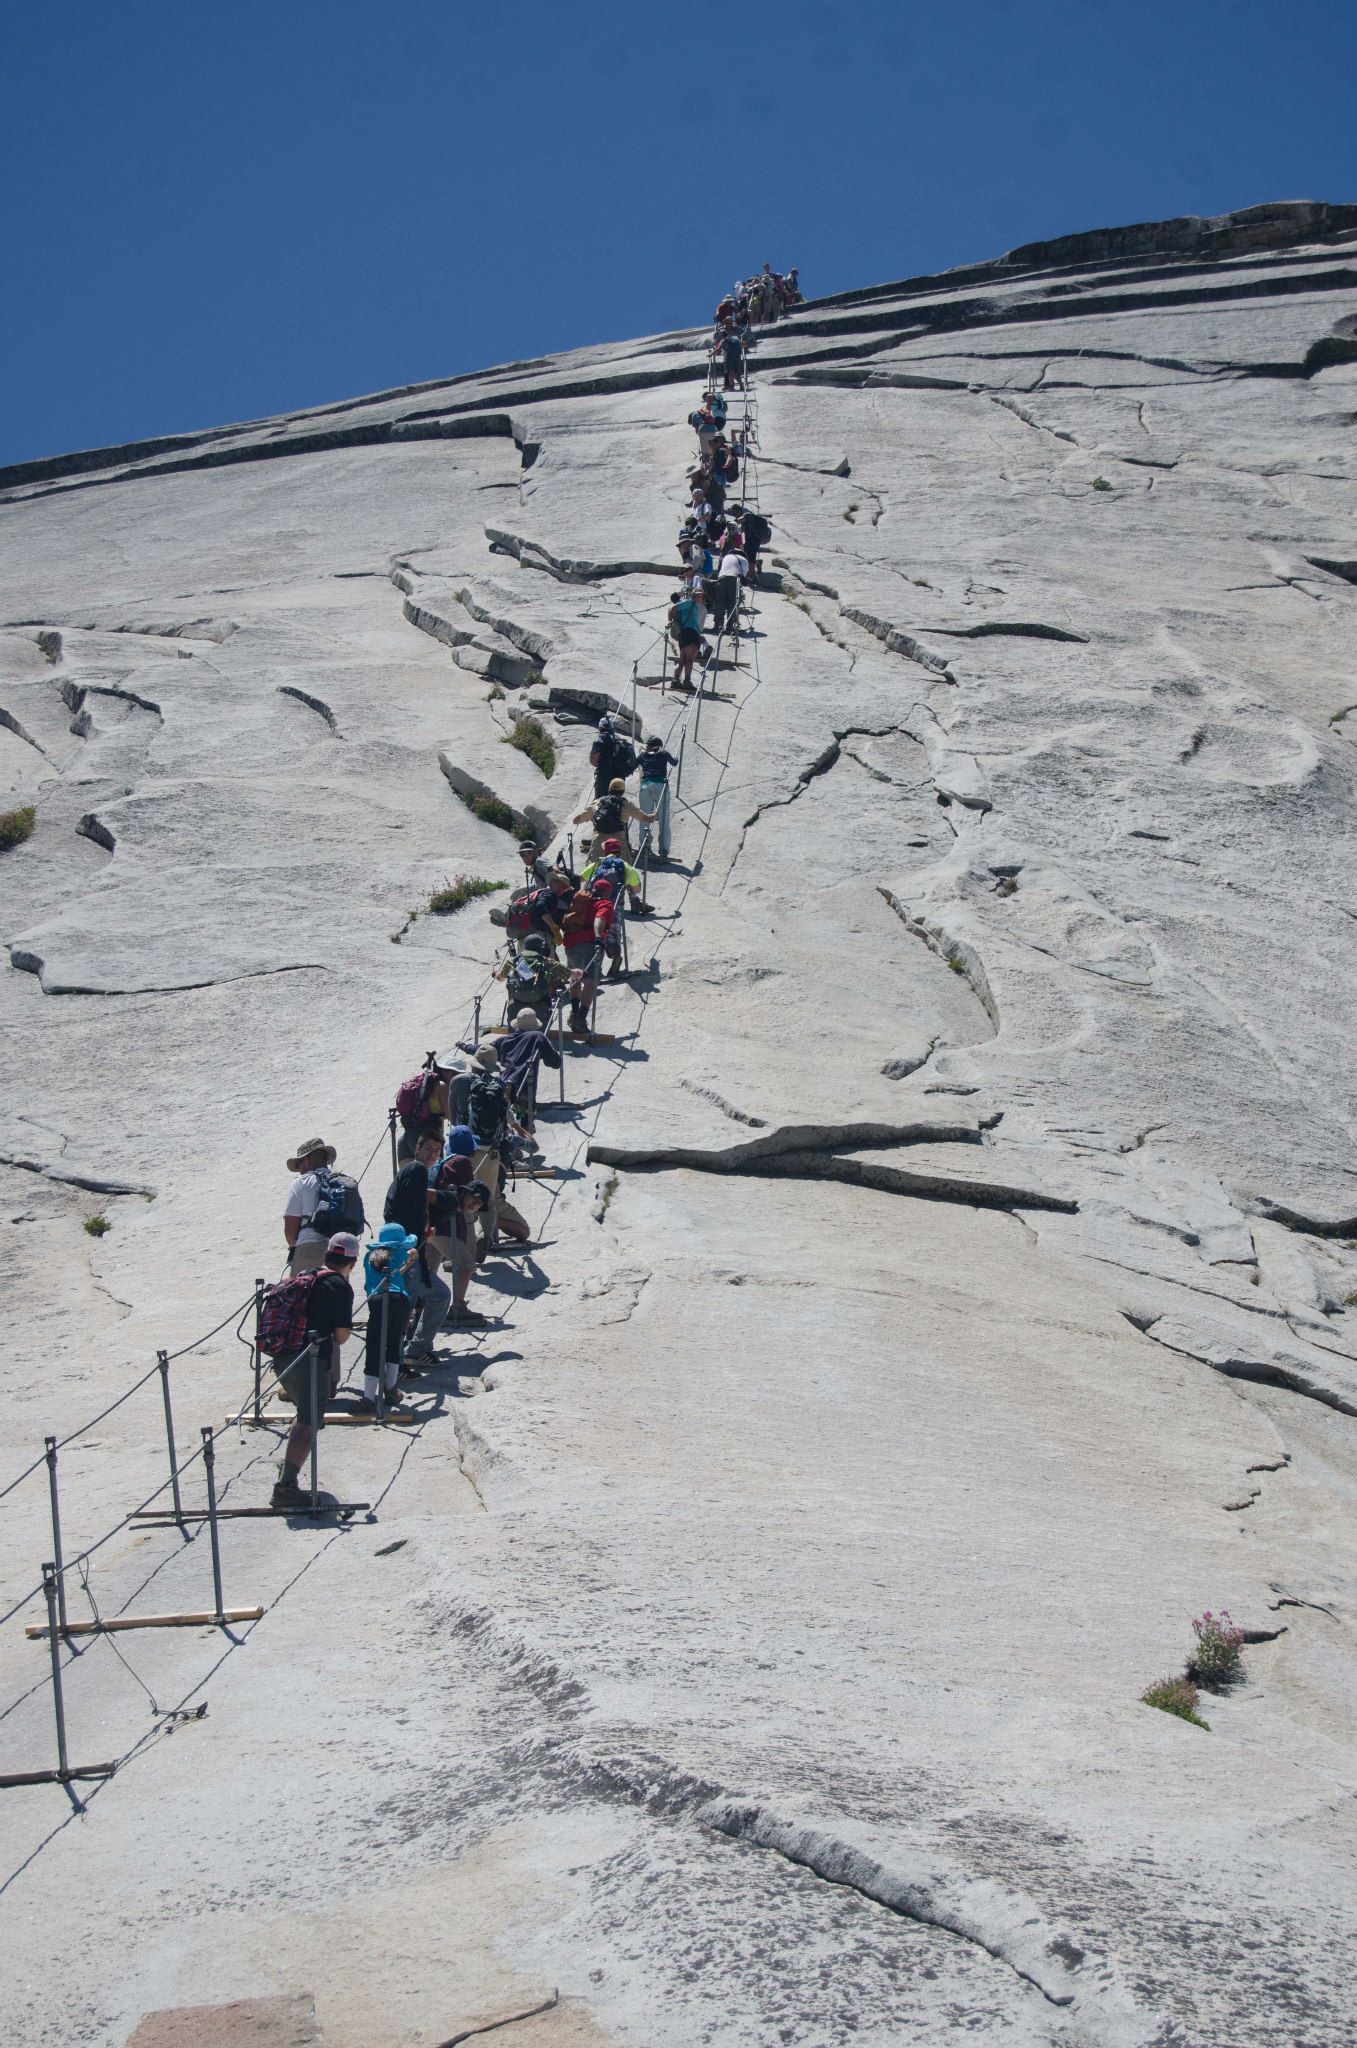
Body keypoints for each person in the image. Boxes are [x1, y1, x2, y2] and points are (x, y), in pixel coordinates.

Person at [270, 1232, 358, 1510]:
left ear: (327, 1255)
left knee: (305, 1416)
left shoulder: (307, 1276)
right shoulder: (340, 1287)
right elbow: (341, 1337)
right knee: (309, 1420)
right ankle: (286, 1488)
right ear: (352, 1262)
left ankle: (288, 1471)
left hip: (283, 1357)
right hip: (311, 1359)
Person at [383, 1135, 452, 1363]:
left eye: (437, 1151)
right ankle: (397, 1362)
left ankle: (413, 1351)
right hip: (407, 1253)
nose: (433, 1155)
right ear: (418, 1148)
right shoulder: (417, 1170)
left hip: (407, 1250)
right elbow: (415, 1208)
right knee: (407, 1305)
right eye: (429, 1149)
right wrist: (422, 1229)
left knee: (437, 1295)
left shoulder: (411, 1171)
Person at [467, 1047, 532, 1248]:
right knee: (491, 1200)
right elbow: (509, 1120)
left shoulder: (461, 1083)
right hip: (492, 1153)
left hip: (465, 1150)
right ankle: (484, 1236)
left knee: (464, 1197)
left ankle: (464, 1243)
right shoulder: (500, 1087)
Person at [427, 1127, 491, 1328]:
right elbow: (467, 1198)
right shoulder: (462, 1162)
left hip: (431, 1225)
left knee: (429, 1269)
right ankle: (458, 1307)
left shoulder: (442, 1162)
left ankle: (424, 1308)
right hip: (447, 1226)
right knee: (466, 1264)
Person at [361, 1222, 419, 1411]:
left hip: (378, 1299)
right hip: (400, 1298)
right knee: (394, 1342)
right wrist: (411, 1260)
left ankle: (368, 1397)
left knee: (374, 1344)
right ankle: (391, 1390)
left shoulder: (369, 1256)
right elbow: (398, 1273)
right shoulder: (401, 1253)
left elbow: (378, 1278)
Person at [282, 1138, 363, 1275]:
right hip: (339, 1251)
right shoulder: (342, 1182)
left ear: (307, 1160)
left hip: (308, 1247)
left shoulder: (301, 1182)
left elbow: (290, 1227)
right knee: (335, 1292)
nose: (299, 1170)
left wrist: (295, 1249)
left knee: (303, 1294)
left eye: (299, 1165)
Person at [497, 1006, 563, 1127]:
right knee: (524, 1120)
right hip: (523, 1089)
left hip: (502, 1085)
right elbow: (555, 1062)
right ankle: (525, 1131)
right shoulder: (538, 1036)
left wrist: (463, 1045)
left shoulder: (504, 1040)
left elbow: (484, 1051)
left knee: (506, 1116)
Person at [572, 778, 655, 859]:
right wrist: (654, 815)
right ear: (623, 791)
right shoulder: (626, 804)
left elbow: (576, 820)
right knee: (624, 867)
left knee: (594, 868)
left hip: (598, 842)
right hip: (617, 843)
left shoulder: (598, 802)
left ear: (609, 789)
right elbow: (647, 819)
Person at [496, 933, 568, 1025]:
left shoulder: (512, 961)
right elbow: (571, 974)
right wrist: (581, 973)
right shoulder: (547, 962)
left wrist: (495, 972)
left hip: (516, 1008)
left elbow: (500, 978)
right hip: (541, 1008)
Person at [560, 889, 601, 1035]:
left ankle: (574, 1013)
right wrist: (599, 939)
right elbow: (600, 920)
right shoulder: (603, 904)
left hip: (570, 943)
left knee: (574, 977)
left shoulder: (578, 903)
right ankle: (581, 1019)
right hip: (587, 943)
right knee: (589, 981)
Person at [583, 835, 648, 918]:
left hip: (594, 905)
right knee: (629, 880)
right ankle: (636, 903)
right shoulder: (627, 867)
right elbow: (637, 889)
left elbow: (581, 878)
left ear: (605, 851)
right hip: (615, 906)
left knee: (589, 878)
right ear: (620, 852)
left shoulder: (597, 864)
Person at [638, 735, 679, 860]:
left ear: (649, 747)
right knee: (664, 820)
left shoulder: (643, 755)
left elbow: (632, 765)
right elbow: (675, 762)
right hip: (661, 786)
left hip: (646, 787)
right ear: (660, 746)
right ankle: (664, 850)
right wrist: (675, 757)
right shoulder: (664, 753)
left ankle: (645, 846)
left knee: (644, 818)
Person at [590, 715, 637, 797]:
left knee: (601, 802)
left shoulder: (600, 738)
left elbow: (593, 760)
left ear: (600, 727)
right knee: (616, 801)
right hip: (619, 777)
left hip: (604, 776)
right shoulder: (619, 739)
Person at [668, 589, 702, 691]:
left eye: (701, 596)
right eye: (698, 595)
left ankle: (675, 680)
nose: (700, 598)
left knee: (682, 660)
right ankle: (687, 681)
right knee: (690, 659)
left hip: (684, 634)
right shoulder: (689, 603)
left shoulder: (692, 605)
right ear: (694, 596)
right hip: (690, 633)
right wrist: (670, 621)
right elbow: (672, 608)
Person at [711, 540, 748, 636]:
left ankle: (718, 625)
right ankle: (731, 626)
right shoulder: (744, 560)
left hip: (722, 577)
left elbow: (720, 569)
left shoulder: (726, 557)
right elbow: (743, 579)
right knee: (733, 602)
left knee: (720, 602)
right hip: (734, 579)